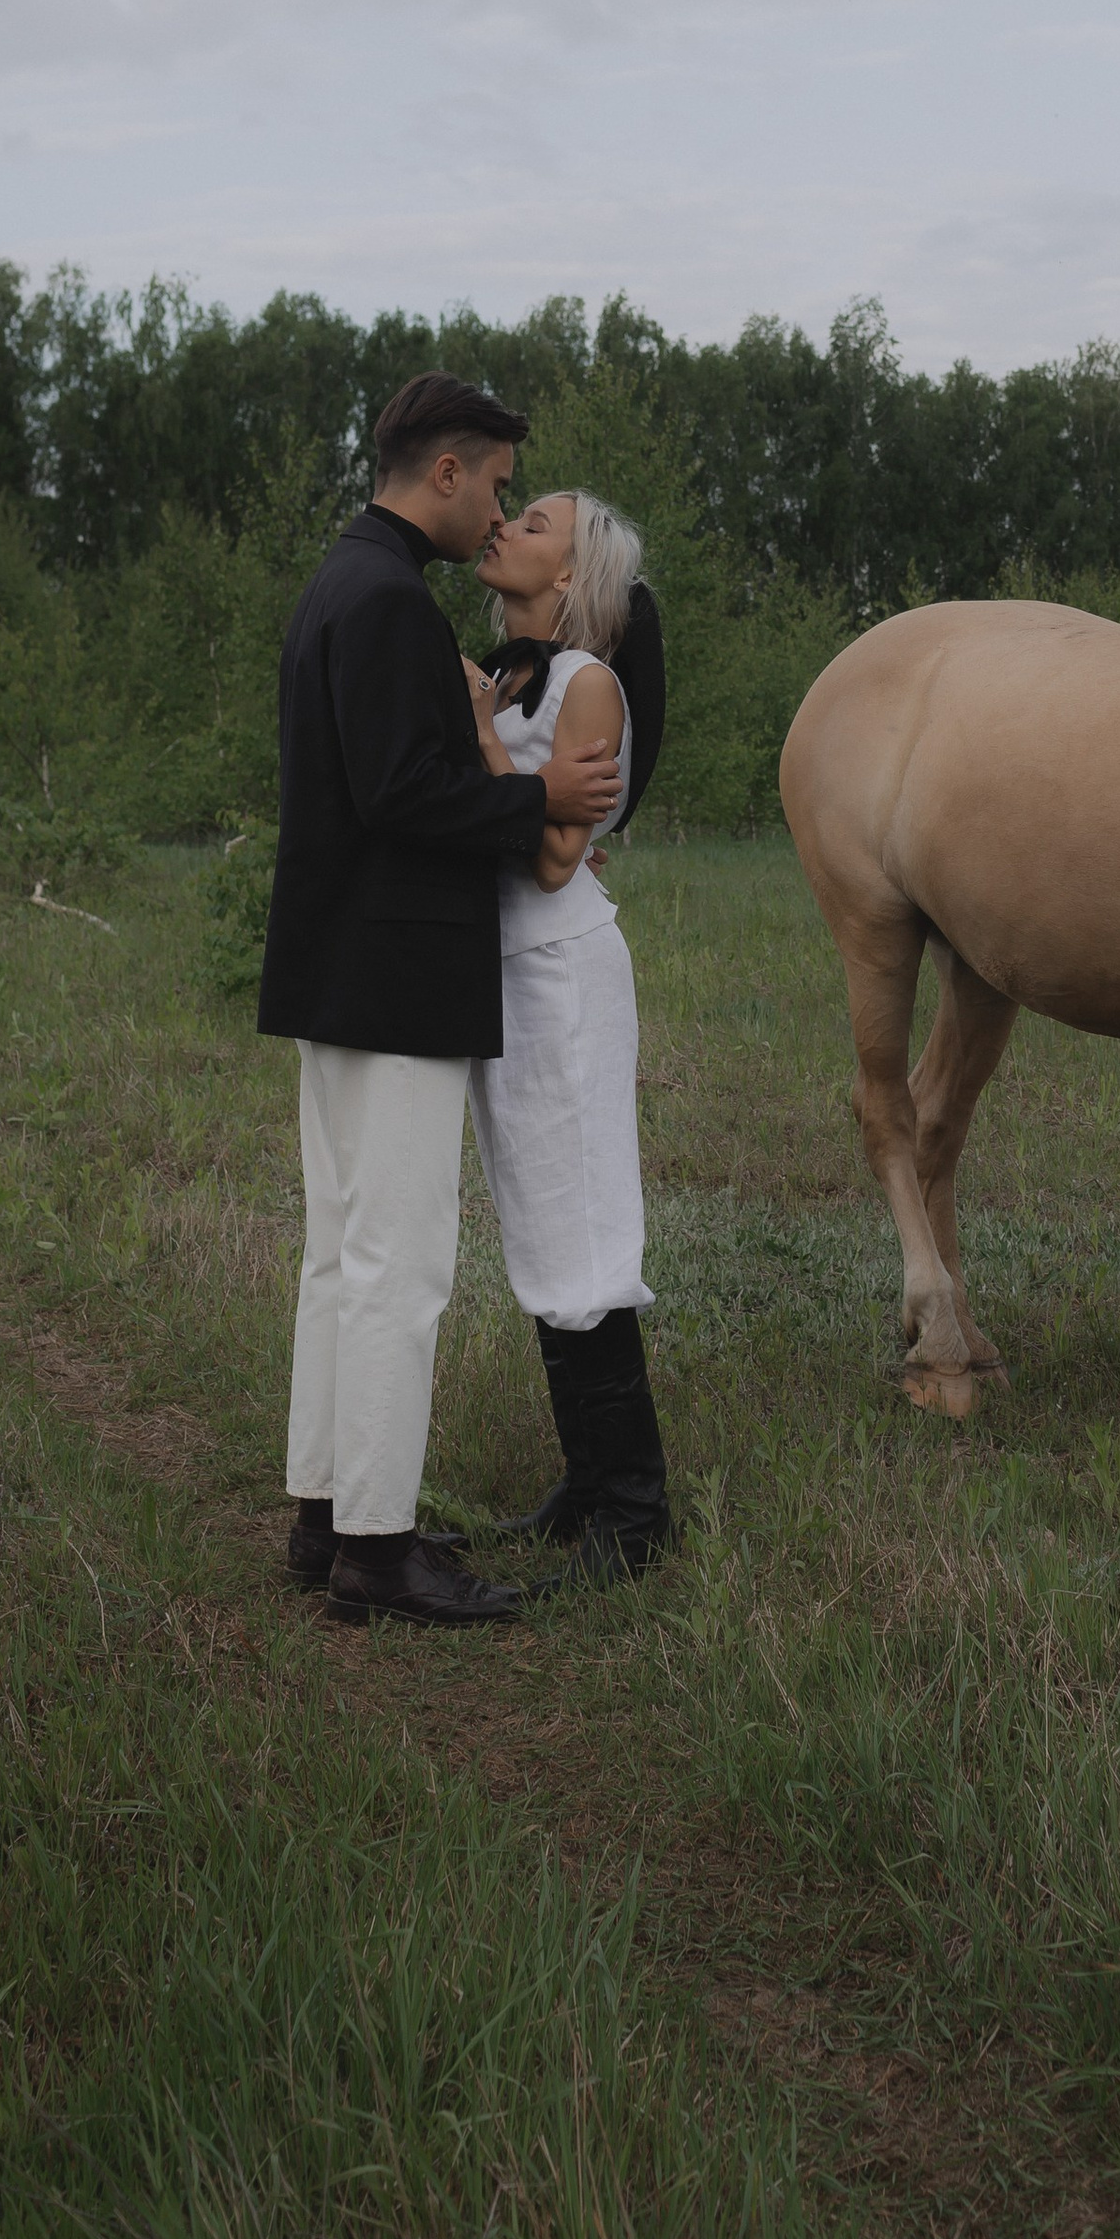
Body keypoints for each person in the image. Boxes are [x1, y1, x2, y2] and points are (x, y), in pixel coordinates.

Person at [257, 376, 624, 1628]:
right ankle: (377, 1548)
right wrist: (543, 802)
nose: (503, 507)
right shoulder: (389, 605)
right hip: (397, 977)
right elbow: (401, 795)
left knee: (341, 1256)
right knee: (397, 1267)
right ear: (449, 473)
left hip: (342, 971)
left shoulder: (343, 585)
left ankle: (325, 1515)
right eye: (502, 482)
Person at [463, 488, 675, 1579]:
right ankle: (589, 1487)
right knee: (543, 1224)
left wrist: (481, 747)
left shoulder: (587, 685)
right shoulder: (504, 676)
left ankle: (635, 1518)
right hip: (506, 973)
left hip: (561, 972)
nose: (504, 526)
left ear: (568, 576)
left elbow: (551, 860)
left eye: (533, 523)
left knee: (584, 1220)